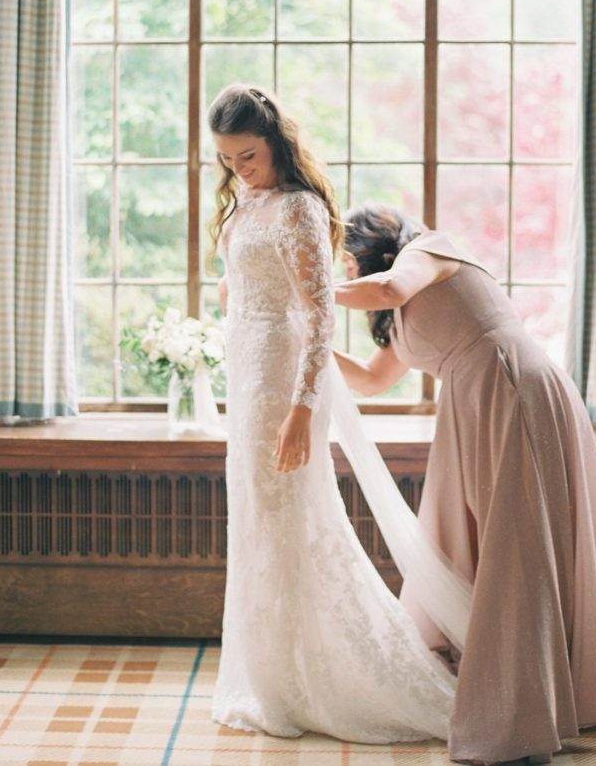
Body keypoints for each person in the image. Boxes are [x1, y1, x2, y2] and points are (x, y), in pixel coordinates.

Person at [333, 202, 596, 764]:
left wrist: (300, 291)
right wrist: (304, 340)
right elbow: (369, 381)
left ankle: (520, 714)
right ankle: (504, 684)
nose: (344, 272)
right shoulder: (401, 314)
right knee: (472, 545)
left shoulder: (428, 250)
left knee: (517, 546)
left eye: (345, 259)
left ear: (372, 243)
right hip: (474, 406)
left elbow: (386, 289)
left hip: (513, 387)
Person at [206, 84, 457, 744]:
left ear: (277, 144)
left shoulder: (301, 207)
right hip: (248, 377)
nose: (240, 170)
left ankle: (328, 680)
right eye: (228, 160)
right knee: (259, 526)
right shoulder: (248, 202)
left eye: (249, 156)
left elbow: (319, 320)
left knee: (293, 522)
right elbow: (250, 284)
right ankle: (271, 678)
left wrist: (301, 410)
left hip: (289, 387)